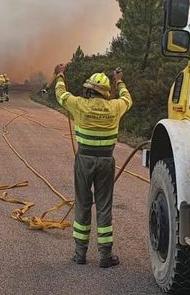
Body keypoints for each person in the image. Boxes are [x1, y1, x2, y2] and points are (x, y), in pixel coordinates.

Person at [53, 64, 131, 268]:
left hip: (84, 160)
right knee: (104, 205)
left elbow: (60, 94)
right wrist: (119, 80)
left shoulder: (79, 104)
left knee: (82, 203)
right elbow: (127, 99)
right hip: (106, 161)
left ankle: (80, 254)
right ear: (105, 93)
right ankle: (105, 256)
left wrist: (60, 75)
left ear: (89, 89)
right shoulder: (115, 107)